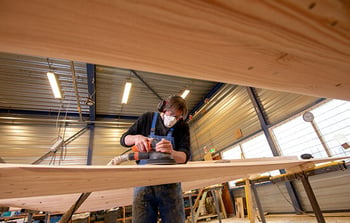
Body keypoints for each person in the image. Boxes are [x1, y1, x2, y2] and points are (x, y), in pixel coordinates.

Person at [120, 95, 191, 223]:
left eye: (178, 117)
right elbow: (124, 139)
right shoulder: (147, 118)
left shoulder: (182, 127)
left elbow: (184, 157)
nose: (173, 119)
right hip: (143, 183)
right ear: (163, 108)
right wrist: (137, 138)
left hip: (170, 184)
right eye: (172, 114)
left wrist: (172, 152)